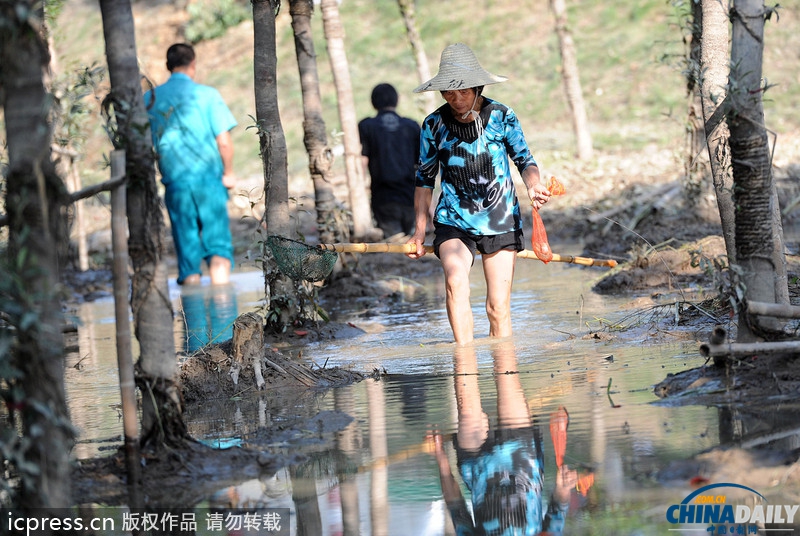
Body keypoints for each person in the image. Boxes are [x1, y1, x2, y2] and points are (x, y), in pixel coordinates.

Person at [406, 43, 552, 345]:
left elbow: (525, 160)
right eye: (448, 92)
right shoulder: (433, 125)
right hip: (453, 220)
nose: (456, 99)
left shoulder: (501, 116)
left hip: (500, 219)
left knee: (497, 308)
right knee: (455, 281)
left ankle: (504, 370)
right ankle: (465, 366)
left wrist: (534, 184)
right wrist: (419, 232)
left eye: (463, 91)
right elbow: (424, 180)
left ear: (477, 86)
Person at [428, 343, 587, 535]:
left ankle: (462, 340)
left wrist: (440, 456)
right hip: (522, 457)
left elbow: (456, 508)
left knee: (464, 377)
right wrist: (562, 488)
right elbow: (557, 512)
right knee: (505, 366)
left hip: (477, 466)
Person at [145, 43, 237, 286]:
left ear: (167, 67)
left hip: (175, 184)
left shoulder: (150, 100)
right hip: (209, 180)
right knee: (217, 246)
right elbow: (224, 142)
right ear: (193, 64)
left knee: (187, 253)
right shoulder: (207, 95)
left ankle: (192, 317)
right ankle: (224, 314)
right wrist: (228, 173)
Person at [358, 83, 421, 240]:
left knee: (393, 243)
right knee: (413, 242)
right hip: (410, 196)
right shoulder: (412, 126)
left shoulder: (366, 126)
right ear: (396, 101)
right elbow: (422, 165)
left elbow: (362, 161)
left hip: (383, 197)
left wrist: (360, 189)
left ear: (373, 102)